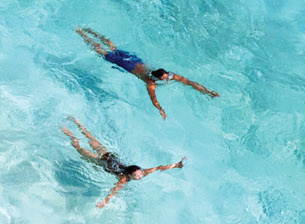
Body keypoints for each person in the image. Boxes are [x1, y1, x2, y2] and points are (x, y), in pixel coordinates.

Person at [76, 27, 218, 119]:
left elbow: (189, 82)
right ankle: (82, 33)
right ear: (158, 78)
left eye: (167, 77)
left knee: (110, 44)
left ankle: (89, 30)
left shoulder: (166, 74)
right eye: (165, 79)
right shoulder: (150, 83)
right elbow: (153, 99)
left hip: (133, 59)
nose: (167, 79)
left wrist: (207, 92)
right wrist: (160, 109)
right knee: (100, 50)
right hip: (126, 64)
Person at [62, 117, 184, 209]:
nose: (141, 176)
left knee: (92, 139)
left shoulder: (143, 172)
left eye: (140, 173)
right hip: (103, 161)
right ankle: (70, 134)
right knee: (80, 149)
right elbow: (114, 190)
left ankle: (77, 122)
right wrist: (105, 202)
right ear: (130, 175)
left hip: (110, 155)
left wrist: (176, 165)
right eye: (137, 175)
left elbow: (159, 167)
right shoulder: (124, 179)